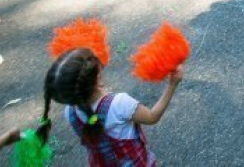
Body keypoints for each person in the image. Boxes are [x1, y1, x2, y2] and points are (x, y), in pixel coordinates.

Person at [36, 48, 182, 165]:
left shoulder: (70, 112)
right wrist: (172, 84)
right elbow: (152, 117)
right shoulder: (120, 104)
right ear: (97, 79)